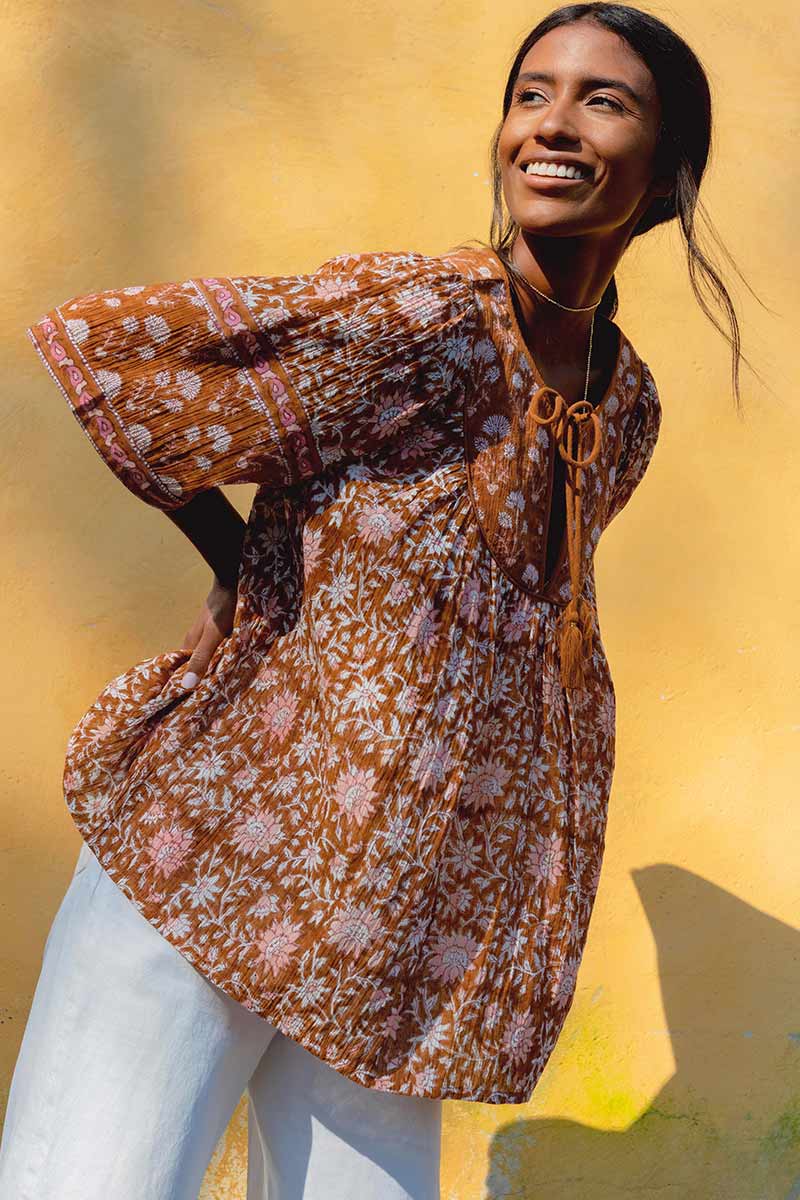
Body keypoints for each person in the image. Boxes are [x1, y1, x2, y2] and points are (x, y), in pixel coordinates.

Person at [1, 4, 752, 1198]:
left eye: (601, 101)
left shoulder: (624, 410)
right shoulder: (422, 317)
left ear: (663, 175)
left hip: (396, 927)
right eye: (530, 94)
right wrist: (235, 559)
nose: (550, 125)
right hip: (215, 848)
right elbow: (113, 350)